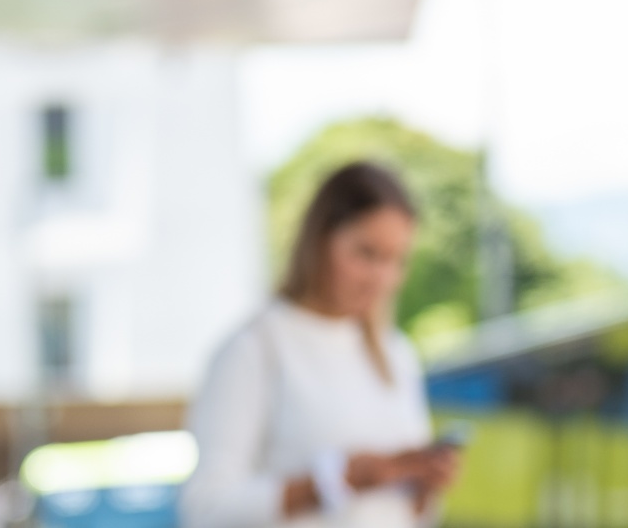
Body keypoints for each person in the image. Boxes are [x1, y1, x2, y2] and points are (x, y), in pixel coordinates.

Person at [182, 162, 461, 528]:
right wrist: (335, 481)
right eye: (367, 253)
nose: (384, 278)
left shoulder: (396, 354)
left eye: (397, 259)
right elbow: (205, 511)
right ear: (320, 240)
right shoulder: (253, 349)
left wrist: (423, 484)